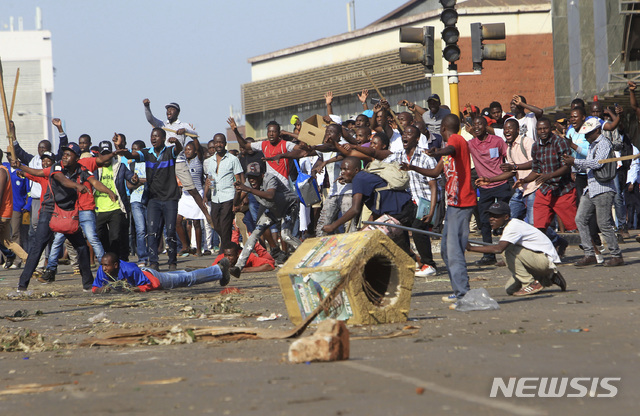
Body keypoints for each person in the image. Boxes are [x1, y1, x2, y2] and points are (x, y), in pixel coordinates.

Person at [15, 143, 95, 292]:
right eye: (64, 154)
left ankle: (88, 284)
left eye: (68, 154)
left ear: (76, 158)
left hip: (66, 214)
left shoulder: (79, 171)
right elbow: (36, 172)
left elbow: (94, 181)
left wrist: (109, 192)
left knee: (82, 247)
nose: (64, 156)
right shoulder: (56, 168)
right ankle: (22, 284)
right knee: (38, 247)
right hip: (49, 212)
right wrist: (21, 166)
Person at [423, 114, 477, 302]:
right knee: (446, 250)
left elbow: (452, 148)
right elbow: (434, 172)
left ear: (443, 129)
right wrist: (411, 167)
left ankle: (464, 293)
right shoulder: (446, 154)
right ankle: (458, 289)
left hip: (462, 203)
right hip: (453, 204)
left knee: (454, 251)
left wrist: (438, 151)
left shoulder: (456, 139)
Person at [466, 201, 566, 299]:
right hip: (539, 261)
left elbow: (498, 249)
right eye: (490, 216)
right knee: (510, 289)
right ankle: (549, 277)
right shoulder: (510, 225)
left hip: (544, 260)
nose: (491, 219)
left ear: (505, 217)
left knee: (507, 250)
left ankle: (529, 283)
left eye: (496, 216)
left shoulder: (513, 226)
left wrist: (471, 248)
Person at [116, 128, 183, 271]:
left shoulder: (170, 152)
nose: (154, 138)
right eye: (152, 136)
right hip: (153, 199)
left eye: (157, 136)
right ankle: (153, 262)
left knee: (170, 231)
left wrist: (176, 141)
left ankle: (172, 261)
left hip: (170, 198)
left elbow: (179, 150)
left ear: (163, 138)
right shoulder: (146, 153)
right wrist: (121, 147)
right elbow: (130, 155)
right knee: (151, 231)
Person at [562, 118, 624, 267]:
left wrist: (575, 162)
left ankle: (616, 255)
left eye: (588, 134)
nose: (586, 137)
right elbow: (589, 166)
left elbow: (597, 164)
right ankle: (589, 254)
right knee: (580, 219)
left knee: (604, 224)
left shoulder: (603, 143)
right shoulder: (592, 145)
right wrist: (573, 166)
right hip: (591, 188)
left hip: (603, 188)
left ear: (596, 131)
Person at [143, 99, 214, 227]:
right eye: (167, 109)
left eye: (172, 109)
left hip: (178, 160)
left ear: (177, 112)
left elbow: (195, 134)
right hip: (165, 161)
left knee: (191, 188)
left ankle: (206, 213)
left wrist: (186, 131)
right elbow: (150, 119)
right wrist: (146, 106)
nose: (168, 111)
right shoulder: (162, 124)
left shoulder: (183, 125)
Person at [11, 118, 68, 277]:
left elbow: (63, 149)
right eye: (39, 148)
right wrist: (13, 132)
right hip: (37, 201)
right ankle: (40, 263)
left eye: (44, 148)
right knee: (36, 233)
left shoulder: (54, 163)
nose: (41, 151)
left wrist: (60, 129)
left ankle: (52, 261)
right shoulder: (34, 160)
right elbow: (18, 150)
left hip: (54, 202)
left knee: (56, 232)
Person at [232, 162, 301, 272]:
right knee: (255, 234)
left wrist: (248, 189)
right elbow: (236, 203)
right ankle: (239, 267)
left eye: (254, 177)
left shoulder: (270, 178)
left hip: (288, 207)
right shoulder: (249, 184)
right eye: (249, 177)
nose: (252, 180)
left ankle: (307, 254)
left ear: (262, 175)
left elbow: (270, 195)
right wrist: (238, 191)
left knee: (285, 235)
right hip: (273, 209)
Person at [514, 118, 578, 235]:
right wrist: (523, 180)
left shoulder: (559, 142)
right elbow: (536, 171)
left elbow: (566, 167)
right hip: (545, 190)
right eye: (539, 129)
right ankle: (547, 249)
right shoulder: (536, 146)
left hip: (563, 190)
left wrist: (549, 176)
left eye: (545, 128)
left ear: (550, 129)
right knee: (539, 226)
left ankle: (594, 250)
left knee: (575, 225)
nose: (542, 131)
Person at [468, 116, 511, 266]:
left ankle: (509, 254)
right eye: (475, 124)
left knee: (505, 221)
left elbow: (509, 158)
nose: (477, 126)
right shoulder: (471, 144)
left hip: (501, 185)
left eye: (480, 124)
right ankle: (488, 255)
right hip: (485, 188)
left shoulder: (497, 141)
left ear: (486, 126)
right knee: (485, 222)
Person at [92, 252, 231, 293]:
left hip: (152, 277)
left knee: (188, 279)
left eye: (106, 266)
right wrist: (102, 290)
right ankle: (222, 269)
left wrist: (134, 289)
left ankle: (218, 270)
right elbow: (94, 288)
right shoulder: (102, 270)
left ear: (115, 265)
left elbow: (150, 284)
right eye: (102, 265)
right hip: (150, 277)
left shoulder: (130, 269)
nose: (104, 268)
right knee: (182, 275)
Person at [94, 140, 138, 260]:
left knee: (115, 237)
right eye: (103, 154)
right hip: (99, 209)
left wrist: (134, 179)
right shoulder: (95, 168)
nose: (106, 158)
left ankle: (116, 262)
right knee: (99, 236)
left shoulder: (120, 166)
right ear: (99, 155)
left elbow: (131, 178)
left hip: (116, 207)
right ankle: (109, 258)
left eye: (109, 154)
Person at [203, 134, 244, 253]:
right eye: (216, 142)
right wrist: (205, 195)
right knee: (215, 222)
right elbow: (208, 179)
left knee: (225, 223)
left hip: (229, 195)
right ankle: (231, 245)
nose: (218, 145)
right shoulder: (209, 161)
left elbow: (238, 180)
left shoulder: (233, 159)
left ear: (225, 143)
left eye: (221, 142)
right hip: (215, 196)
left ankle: (223, 251)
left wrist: (238, 199)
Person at [176, 141, 207, 256]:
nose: (187, 151)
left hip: (197, 193)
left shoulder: (198, 160)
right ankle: (185, 246)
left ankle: (199, 250)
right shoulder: (183, 161)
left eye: (189, 149)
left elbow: (198, 147)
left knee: (196, 222)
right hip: (186, 194)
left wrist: (190, 133)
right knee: (178, 221)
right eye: (186, 150)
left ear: (195, 151)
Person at [0, 149, 28, 268]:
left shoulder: (1, 171)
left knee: (9, 240)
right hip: (4, 212)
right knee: (7, 242)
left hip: (2, 213)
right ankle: (28, 259)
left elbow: (0, 194)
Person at [127, 140, 149, 267]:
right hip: (136, 200)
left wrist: (138, 181)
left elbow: (153, 180)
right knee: (140, 230)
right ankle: (142, 258)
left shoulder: (149, 164)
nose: (133, 152)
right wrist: (142, 181)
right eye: (132, 149)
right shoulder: (132, 166)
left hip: (149, 199)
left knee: (151, 230)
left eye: (136, 150)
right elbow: (129, 184)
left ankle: (152, 254)